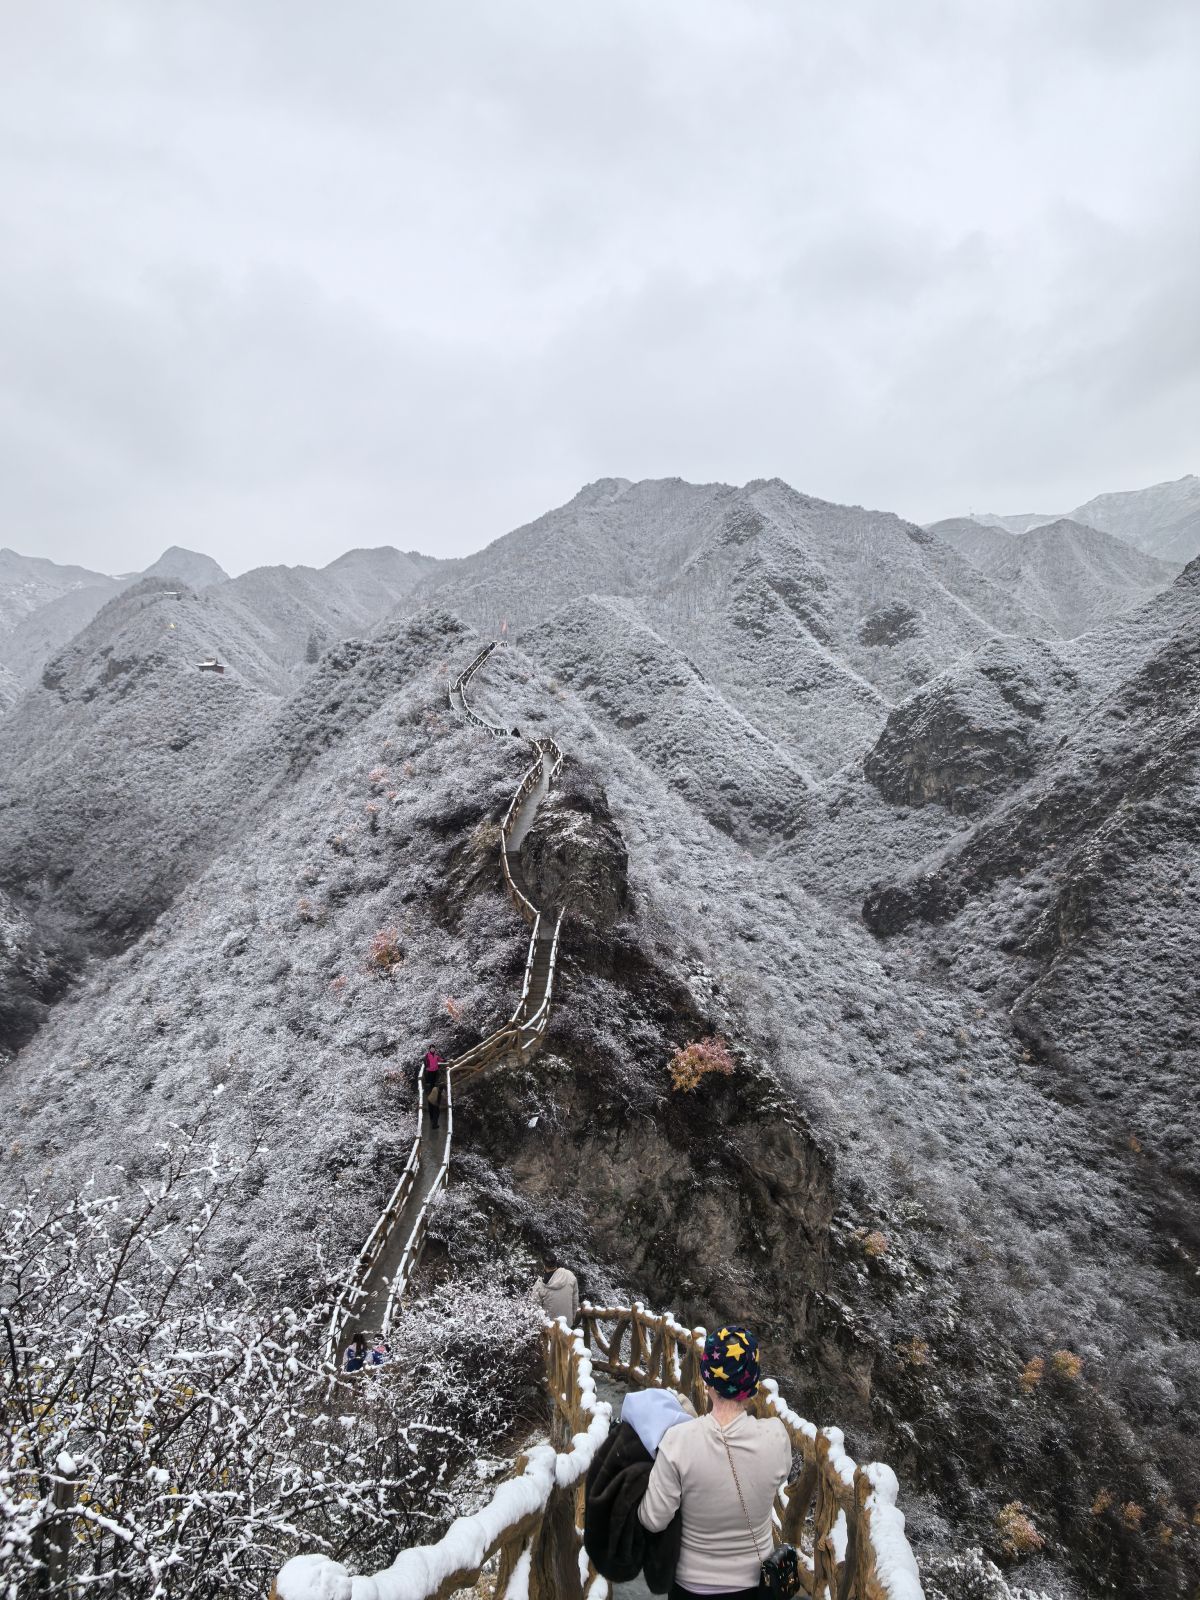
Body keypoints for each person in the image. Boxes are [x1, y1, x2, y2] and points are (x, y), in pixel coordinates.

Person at [637, 1325, 790, 1600]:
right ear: (752, 1384)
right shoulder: (776, 1437)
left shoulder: (678, 1442)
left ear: (706, 1380)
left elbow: (653, 1520)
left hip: (691, 1588)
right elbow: (773, 1478)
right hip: (758, 1586)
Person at [531, 1258, 580, 1326]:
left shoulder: (540, 1284)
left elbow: (535, 1307)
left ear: (544, 1265)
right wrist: (573, 1317)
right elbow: (575, 1301)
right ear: (556, 1263)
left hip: (550, 1328)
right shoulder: (570, 1275)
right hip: (567, 1325)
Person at [422, 1047, 445, 1132]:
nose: (432, 1050)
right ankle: (434, 1125)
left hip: (429, 1099)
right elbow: (437, 1101)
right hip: (433, 1101)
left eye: (433, 1049)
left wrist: (443, 1060)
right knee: (436, 1113)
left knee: (432, 1111)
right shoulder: (428, 1055)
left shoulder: (435, 1055)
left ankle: (432, 1120)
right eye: (431, 1049)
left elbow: (439, 1059)